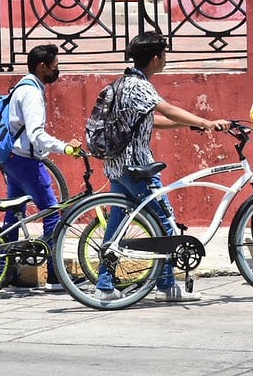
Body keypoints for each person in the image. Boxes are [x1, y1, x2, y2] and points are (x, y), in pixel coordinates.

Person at [94, 31, 231, 302]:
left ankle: (105, 285)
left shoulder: (124, 82)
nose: (165, 59)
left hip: (118, 166)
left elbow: (150, 121)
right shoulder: (141, 86)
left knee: (116, 228)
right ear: (157, 58)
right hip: (137, 168)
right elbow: (166, 110)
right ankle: (167, 287)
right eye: (164, 55)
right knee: (165, 224)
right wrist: (206, 122)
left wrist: (188, 124)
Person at [2, 44, 81, 290]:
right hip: (27, 161)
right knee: (51, 212)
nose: (57, 71)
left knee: (14, 214)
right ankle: (56, 274)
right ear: (42, 67)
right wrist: (65, 147)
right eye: (55, 67)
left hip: (12, 158)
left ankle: (6, 271)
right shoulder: (32, 93)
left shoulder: (22, 86)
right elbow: (36, 134)